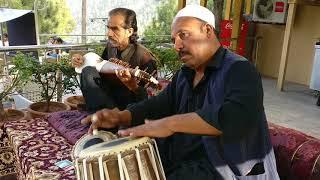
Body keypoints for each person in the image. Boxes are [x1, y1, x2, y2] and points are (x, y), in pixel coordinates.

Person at [81, 5, 279, 180]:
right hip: (187, 160)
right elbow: (159, 104)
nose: (177, 45)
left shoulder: (240, 69)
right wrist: (120, 116)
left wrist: (170, 124)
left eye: (183, 35)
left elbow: (234, 118)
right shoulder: (185, 74)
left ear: (207, 30)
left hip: (225, 168)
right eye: (174, 39)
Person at [71, 8, 157, 112]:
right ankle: (103, 115)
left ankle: (108, 118)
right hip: (109, 101)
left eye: (115, 29)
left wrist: (133, 86)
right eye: (108, 28)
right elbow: (100, 69)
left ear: (129, 31)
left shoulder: (145, 57)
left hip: (129, 108)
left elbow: (150, 98)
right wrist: (81, 61)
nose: (109, 34)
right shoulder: (110, 47)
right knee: (87, 71)